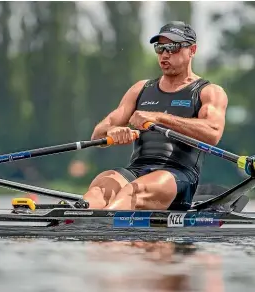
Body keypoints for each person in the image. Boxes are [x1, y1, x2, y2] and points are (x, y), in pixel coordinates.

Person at [80, 21, 228, 211]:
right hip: (136, 170)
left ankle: (106, 228)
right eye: (160, 48)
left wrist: (159, 118)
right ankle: (77, 219)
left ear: (192, 50)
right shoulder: (141, 89)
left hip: (177, 176)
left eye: (173, 47)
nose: (165, 54)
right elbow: (97, 135)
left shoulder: (208, 92)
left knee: (130, 193)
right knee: (100, 188)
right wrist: (113, 131)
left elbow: (212, 133)